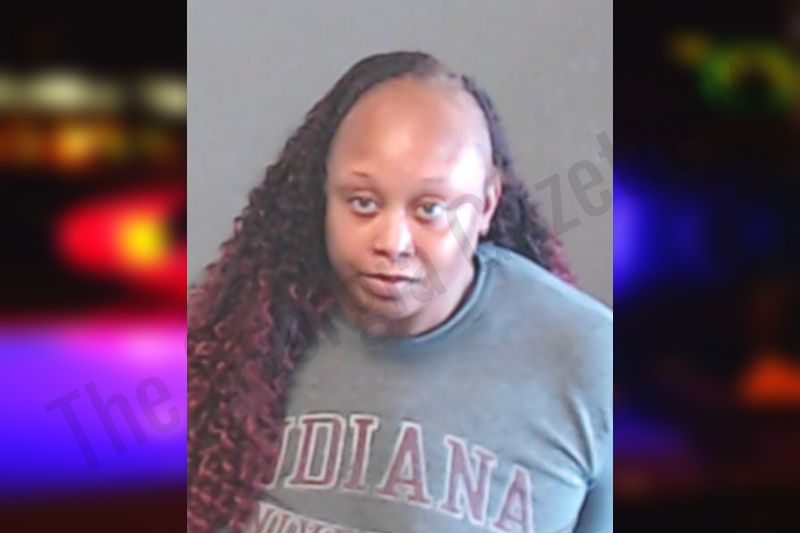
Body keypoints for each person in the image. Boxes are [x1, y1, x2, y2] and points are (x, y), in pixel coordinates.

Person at [188, 51, 612, 533]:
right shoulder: (233, 340)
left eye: (431, 209)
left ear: (486, 204)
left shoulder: (592, 362)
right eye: (363, 203)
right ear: (323, 193)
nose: (392, 242)